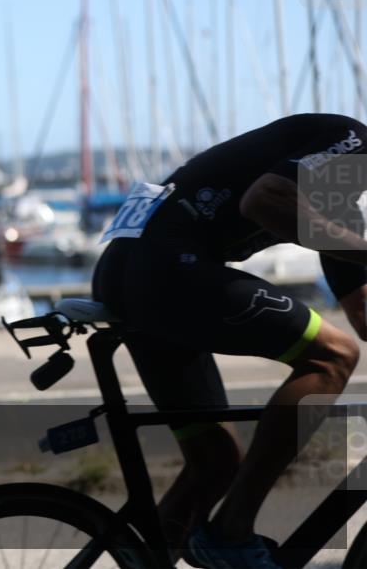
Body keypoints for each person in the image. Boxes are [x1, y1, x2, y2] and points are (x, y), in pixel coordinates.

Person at [91, 113, 366, 568]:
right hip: (164, 268)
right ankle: (231, 532)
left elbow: (362, 310)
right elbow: (263, 200)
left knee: (215, 463)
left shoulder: (339, 202)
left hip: (132, 271)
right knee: (333, 357)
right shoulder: (353, 140)